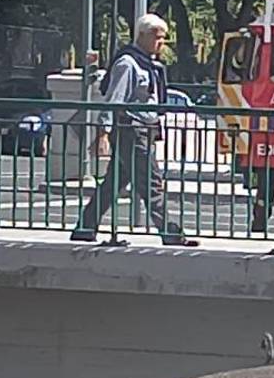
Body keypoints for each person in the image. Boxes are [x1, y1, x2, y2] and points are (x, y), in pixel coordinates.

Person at [72, 13, 198, 247]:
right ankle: (170, 233)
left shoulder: (148, 63)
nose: (161, 43)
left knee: (113, 183)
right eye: (157, 37)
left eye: (163, 38)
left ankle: (84, 227)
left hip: (144, 130)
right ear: (142, 35)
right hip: (132, 130)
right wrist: (103, 133)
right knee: (152, 183)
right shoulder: (127, 64)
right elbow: (114, 100)